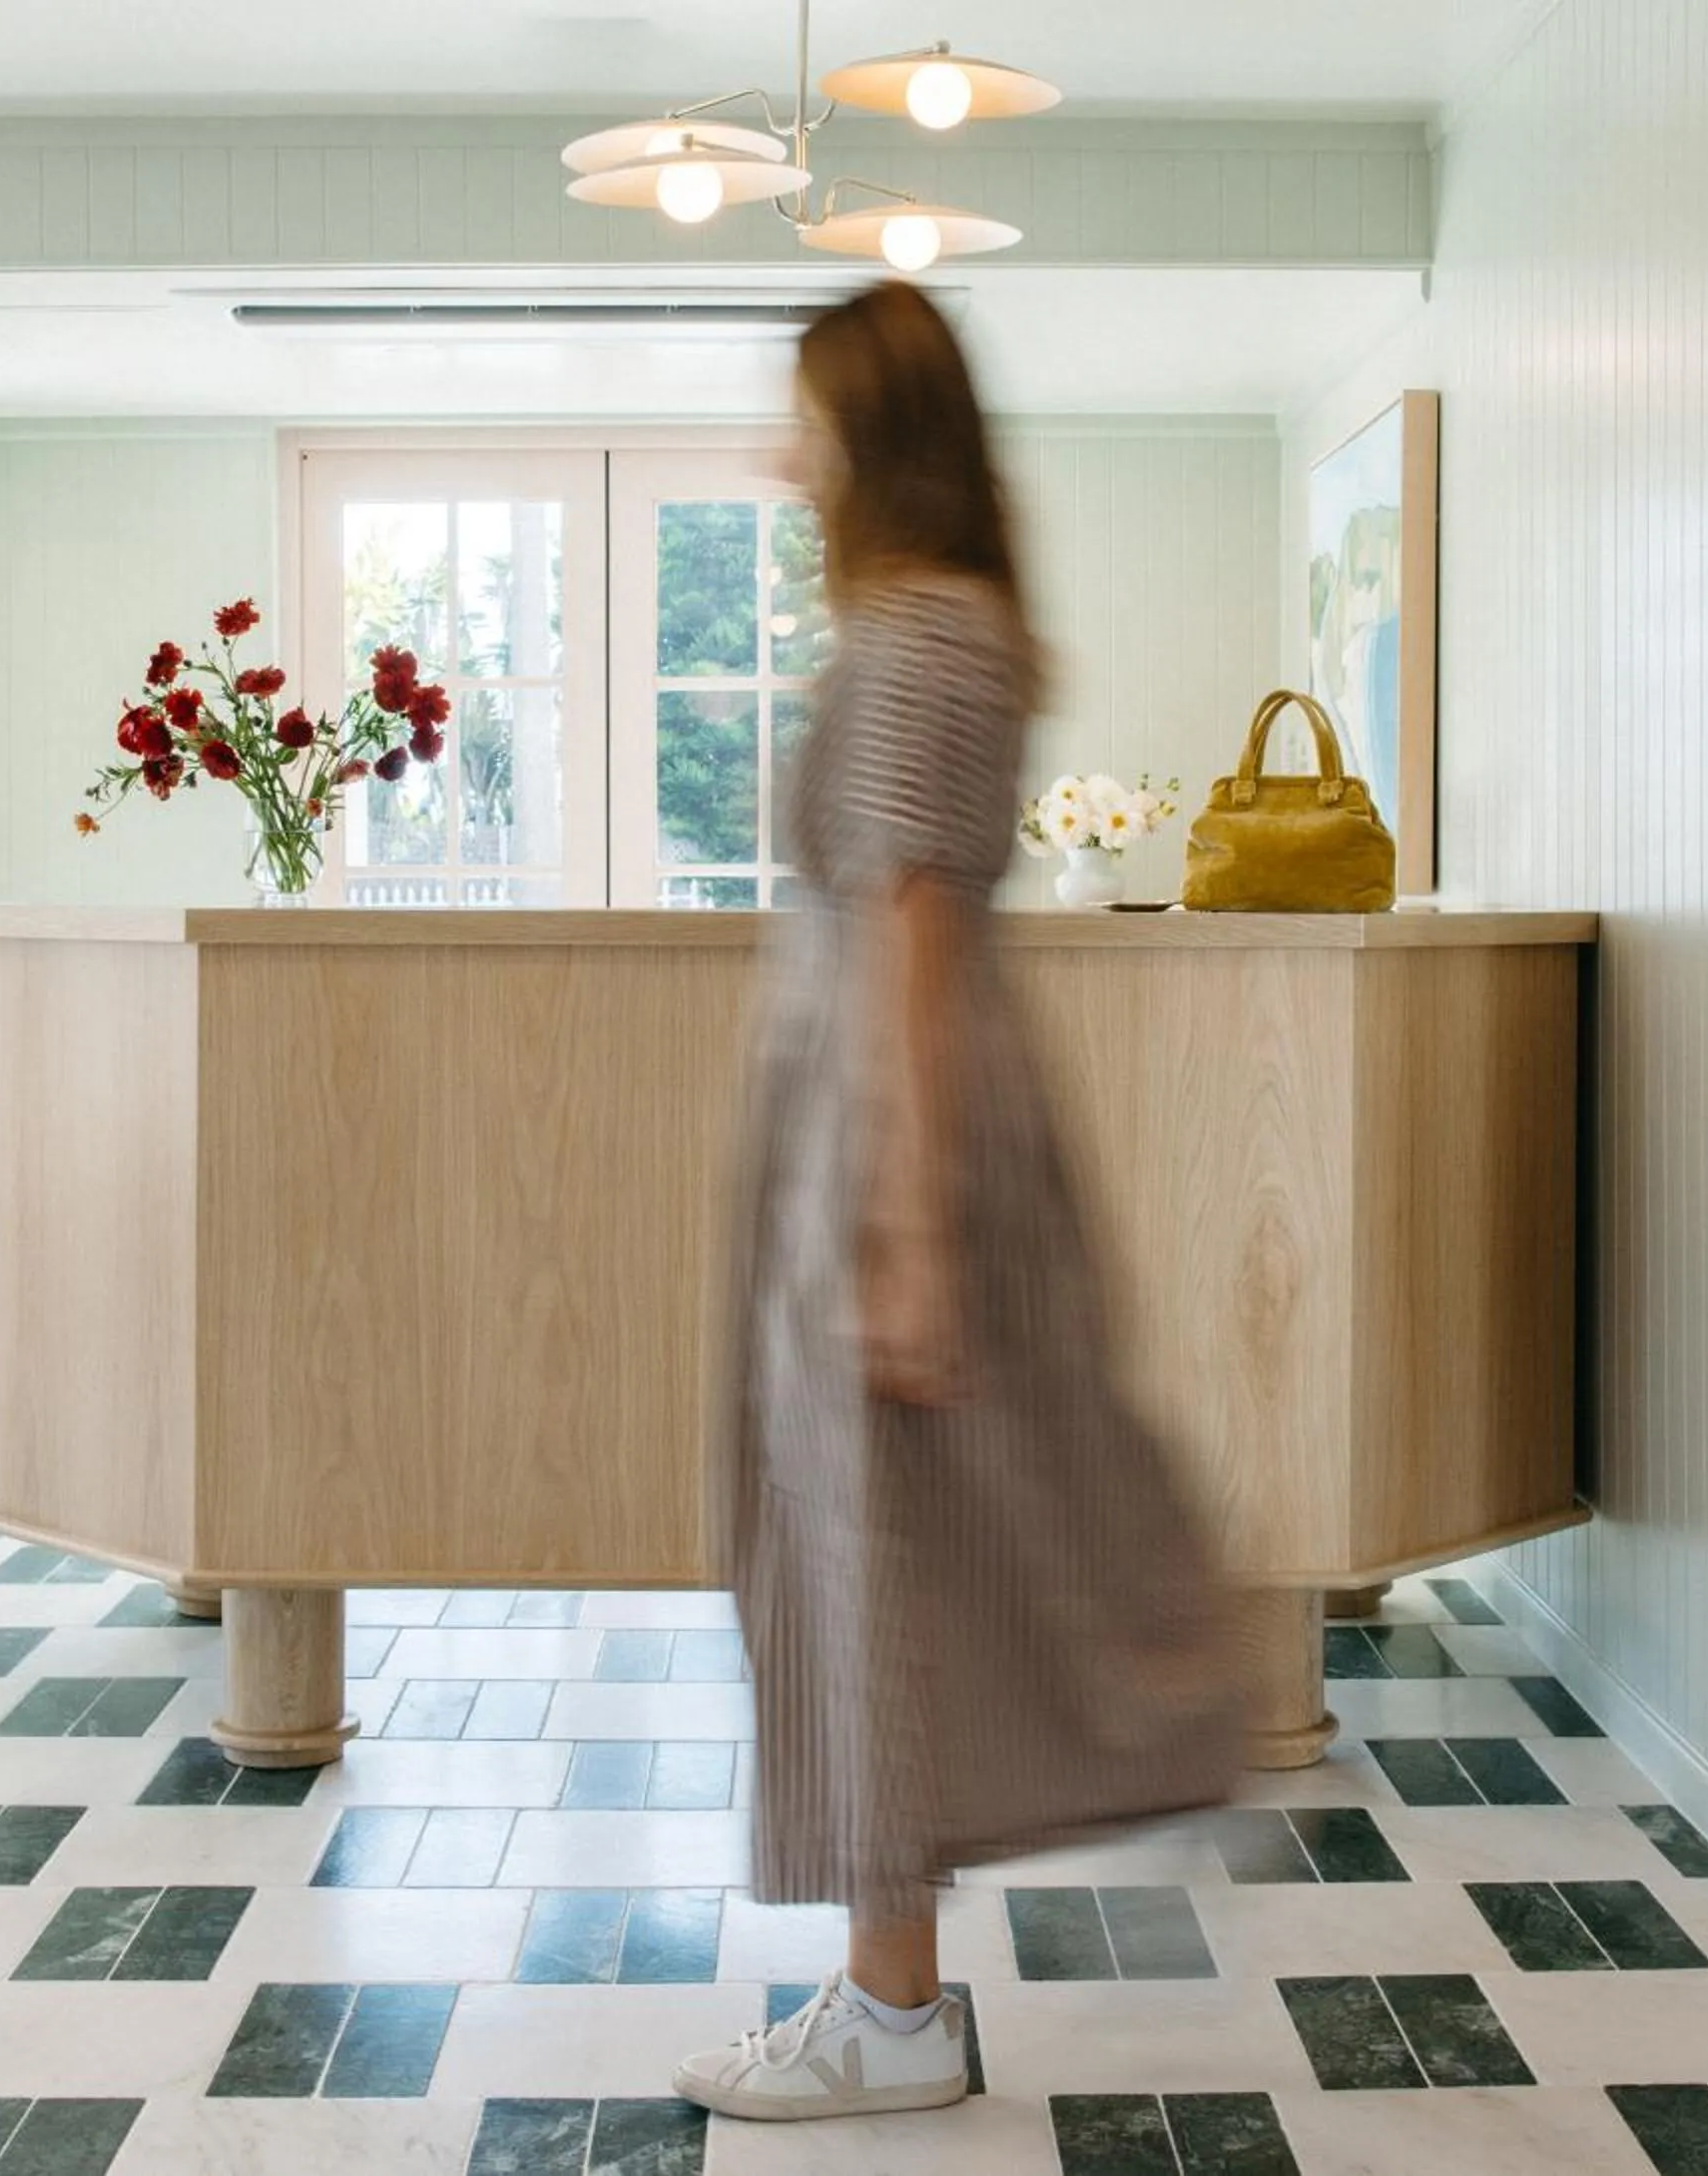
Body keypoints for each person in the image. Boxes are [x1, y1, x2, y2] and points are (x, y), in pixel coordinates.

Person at [675, 281, 1243, 2123]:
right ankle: (887, 1994)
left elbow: (915, 937)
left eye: (808, 420)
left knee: (880, 1563)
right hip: (871, 1132)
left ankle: (895, 2018)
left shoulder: (920, 634)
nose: (787, 454)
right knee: (870, 1564)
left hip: (892, 1139)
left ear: (876, 434)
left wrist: (907, 1237)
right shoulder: (945, 624)